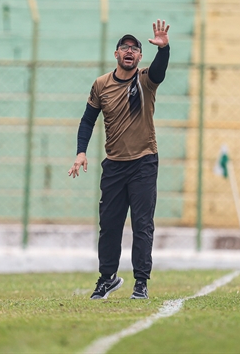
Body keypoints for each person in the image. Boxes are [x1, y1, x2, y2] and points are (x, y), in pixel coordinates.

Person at [68, 20, 170, 300]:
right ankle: (106, 278)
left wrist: (164, 49)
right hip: (114, 164)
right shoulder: (101, 85)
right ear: (116, 54)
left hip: (144, 162)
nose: (129, 51)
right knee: (110, 224)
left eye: (134, 48)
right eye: (124, 47)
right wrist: (81, 151)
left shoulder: (146, 80)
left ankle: (141, 283)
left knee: (142, 223)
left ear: (139, 56)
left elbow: (160, 71)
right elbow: (88, 120)